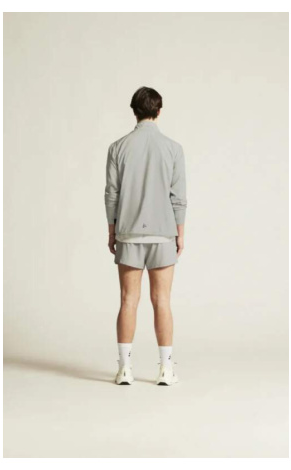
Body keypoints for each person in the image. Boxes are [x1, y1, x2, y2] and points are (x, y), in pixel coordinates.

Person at [104, 86, 187, 386]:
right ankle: (165, 369)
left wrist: (112, 230)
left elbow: (111, 194)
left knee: (128, 300)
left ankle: (125, 369)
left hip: (128, 233)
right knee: (162, 300)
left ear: (134, 111)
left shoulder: (118, 147)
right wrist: (179, 234)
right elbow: (178, 198)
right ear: (159, 111)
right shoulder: (173, 148)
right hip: (163, 234)